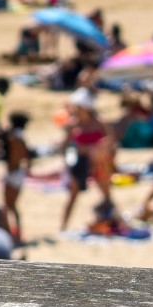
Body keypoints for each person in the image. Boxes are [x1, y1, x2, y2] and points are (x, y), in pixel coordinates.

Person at [61, 87, 111, 231]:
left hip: (99, 162)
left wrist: (98, 149)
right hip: (81, 162)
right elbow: (65, 145)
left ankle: (113, 221)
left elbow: (110, 141)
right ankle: (64, 226)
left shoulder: (98, 122)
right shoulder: (73, 124)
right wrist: (68, 160)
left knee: (106, 194)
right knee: (73, 195)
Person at [0, 110, 31, 241]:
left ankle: (12, 233)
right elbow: (27, 155)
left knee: (8, 205)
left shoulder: (14, 136)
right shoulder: (20, 136)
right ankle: (16, 233)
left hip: (13, 173)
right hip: (18, 173)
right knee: (12, 205)